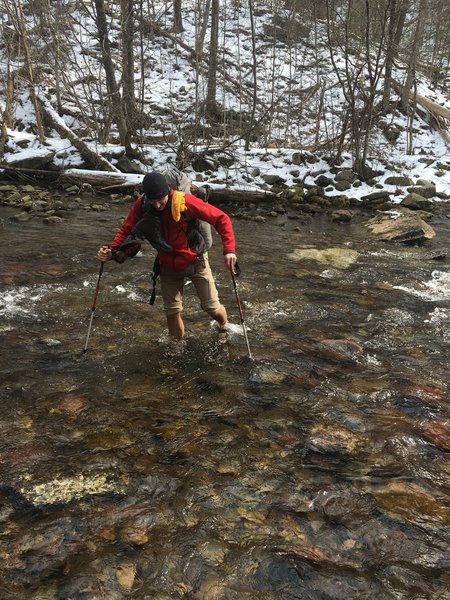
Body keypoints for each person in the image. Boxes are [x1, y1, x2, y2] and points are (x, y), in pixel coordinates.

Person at [97, 171, 237, 340]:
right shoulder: (142, 204)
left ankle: (223, 325)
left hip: (195, 259)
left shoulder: (185, 201)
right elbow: (127, 228)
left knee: (211, 308)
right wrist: (112, 251)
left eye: (160, 200)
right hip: (167, 264)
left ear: (167, 192)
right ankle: (177, 347)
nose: (156, 205)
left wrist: (229, 250)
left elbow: (221, 218)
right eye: (152, 201)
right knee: (172, 311)